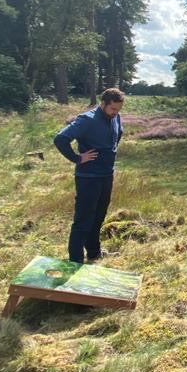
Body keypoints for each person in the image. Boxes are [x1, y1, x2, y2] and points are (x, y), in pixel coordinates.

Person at [54, 88, 125, 264]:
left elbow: (118, 134)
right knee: (83, 220)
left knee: (99, 216)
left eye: (118, 110)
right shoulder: (87, 120)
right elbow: (60, 139)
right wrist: (78, 158)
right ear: (103, 103)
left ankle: (93, 253)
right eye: (112, 109)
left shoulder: (115, 116)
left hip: (107, 175)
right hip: (88, 178)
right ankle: (75, 262)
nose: (115, 113)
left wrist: (110, 152)